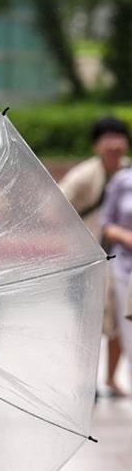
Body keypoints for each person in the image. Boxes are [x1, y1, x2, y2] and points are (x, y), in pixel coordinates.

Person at [58, 117, 130, 396]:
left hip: (120, 260)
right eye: (107, 138)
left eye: (119, 137)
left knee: (120, 321)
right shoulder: (83, 175)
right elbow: (58, 203)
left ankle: (111, 378)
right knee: (87, 323)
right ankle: (86, 383)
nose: (114, 144)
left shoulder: (128, 173)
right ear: (96, 145)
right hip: (87, 261)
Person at [101, 161, 132, 390]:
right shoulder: (123, 181)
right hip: (126, 269)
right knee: (128, 330)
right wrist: (125, 236)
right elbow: (106, 223)